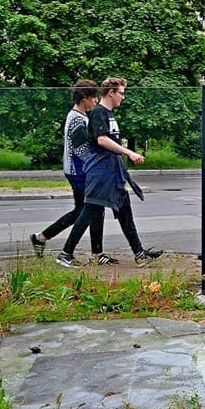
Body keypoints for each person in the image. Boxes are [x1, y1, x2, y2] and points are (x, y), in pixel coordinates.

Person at [57, 77, 162, 268]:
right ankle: (66, 253)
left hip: (113, 173)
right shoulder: (98, 113)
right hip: (101, 173)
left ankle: (139, 253)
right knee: (89, 211)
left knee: (125, 211)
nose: (123, 97)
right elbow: (101, 140)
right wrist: (129, 152)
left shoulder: (109, 114)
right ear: (111, 93)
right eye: (121, 93)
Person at [30, 80, 104, 263]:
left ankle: (41, 238)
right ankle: (91, 253)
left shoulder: (77, 116)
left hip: (77, 171)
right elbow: (80, 150)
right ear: (85, 98)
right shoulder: (79, 120)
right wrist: (98, 161)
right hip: (78, 172)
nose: (96, 101)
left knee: (88, 210)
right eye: (93, 97)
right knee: (90, 209)